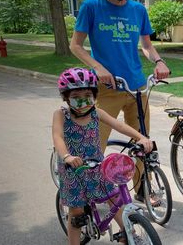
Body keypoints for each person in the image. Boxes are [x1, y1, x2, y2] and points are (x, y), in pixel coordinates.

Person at [69, 0, 170, 201]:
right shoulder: (91, 7)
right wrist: (98, 68)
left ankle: (142, 189)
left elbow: (146, 45)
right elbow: (75, 45)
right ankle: (87, 191)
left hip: (136, 88)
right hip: (106, 89)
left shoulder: (138, 10)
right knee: (94, 144)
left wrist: (158, 61)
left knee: (142, 142)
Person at [52, 68, 153, 245]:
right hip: (72, 170)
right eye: (76, 95)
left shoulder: (95, 113)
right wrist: (67, 156)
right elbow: (57, 136)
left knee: (114, 197)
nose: (83, 99)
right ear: (66, 97)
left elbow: (119, 126)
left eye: (87, 94)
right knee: (77, 214)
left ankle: (126, 233)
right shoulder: (61, 115)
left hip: (97, 166)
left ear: (94, 94)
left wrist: (141, 137)